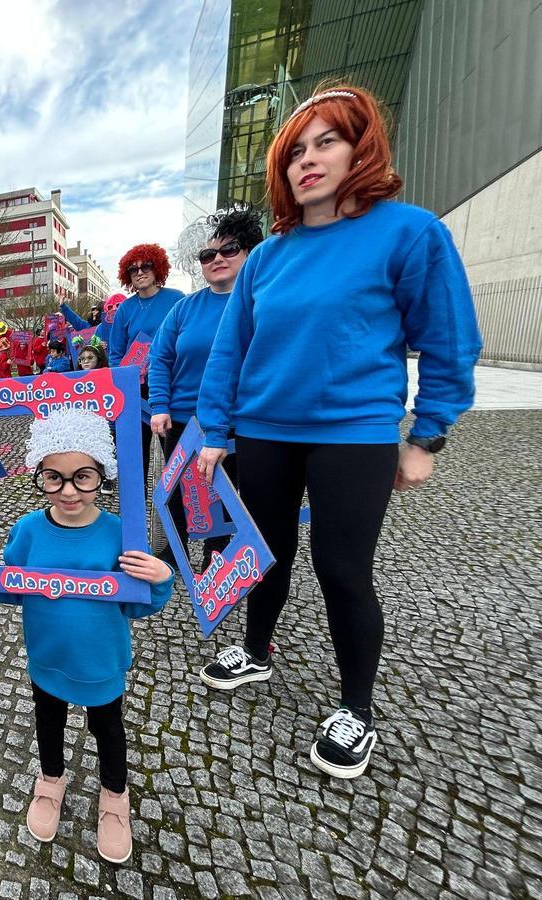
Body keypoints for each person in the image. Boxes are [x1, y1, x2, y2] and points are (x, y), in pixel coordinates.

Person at [195, 85, 481, 780]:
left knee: (342, 569)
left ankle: (357, 709)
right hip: (264, 430)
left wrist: (426, 435)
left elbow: (448, 339)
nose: (308, 160)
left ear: (361, 147)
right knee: (263, 553)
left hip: (353, 433)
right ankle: (257, 653)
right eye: (295, 150)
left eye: (326, 141)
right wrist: (213, 428)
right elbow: (232, 347)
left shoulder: (409, 233)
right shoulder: (268, 256)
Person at [0, 409, 174, 864]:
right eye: (54, 478)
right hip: (47, 658)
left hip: (102, 663)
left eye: (82, 477)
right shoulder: (27, 530)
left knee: (108, 730)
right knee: (49, 723)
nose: (68, 491)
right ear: (38, 474)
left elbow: (138, 605)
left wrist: (160, 579)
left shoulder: (121, 534)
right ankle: (51, 780)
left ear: (102, 473)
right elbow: (13, 588)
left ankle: (114, 797)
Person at [149, 205, 264, 566]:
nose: (217, 259)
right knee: (183, 491)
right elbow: (160, 359)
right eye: (207, 254)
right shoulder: (184, 309)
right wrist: (159, 405)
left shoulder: (263, 303)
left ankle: (218, 555)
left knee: (229, 493)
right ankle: (175, 551)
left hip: (240, 422)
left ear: (249, 253)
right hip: (184, 421)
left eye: (229, 250)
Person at [107, 244, 183, 484]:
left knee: (175, 451)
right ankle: (135, 510)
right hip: (136, 389)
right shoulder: (125, 309)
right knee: (134, 453)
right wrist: (123, 384)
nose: (139, 272)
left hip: (172, 385)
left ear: (157, 267)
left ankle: (179, 508)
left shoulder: (176, 299)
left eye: (146, 266)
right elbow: (116, 353)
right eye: (133, 269)